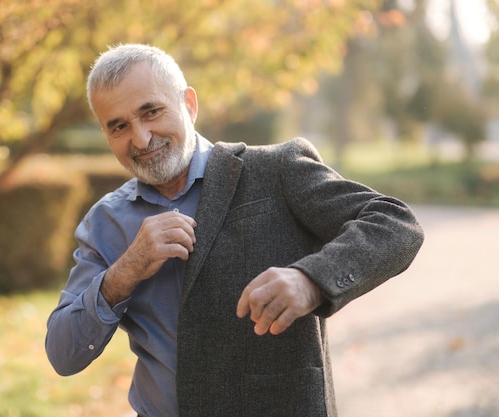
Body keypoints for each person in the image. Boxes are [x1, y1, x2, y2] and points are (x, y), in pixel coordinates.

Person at [45, 43, 424, 417]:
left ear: (189, 104)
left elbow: (395, 223)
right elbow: (63, 354)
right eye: (119, 126)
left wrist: (311, 281)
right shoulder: (104, 222)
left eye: (152, 111)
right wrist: (125, 270)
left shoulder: (276, 170)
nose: (141, 138)